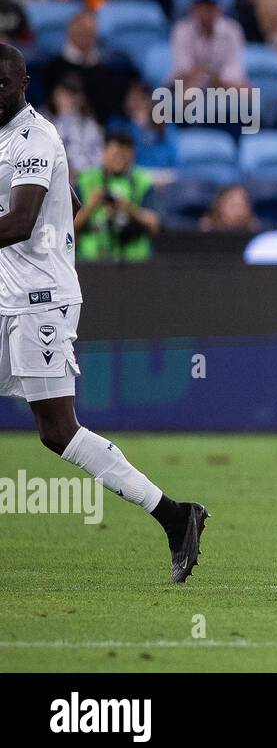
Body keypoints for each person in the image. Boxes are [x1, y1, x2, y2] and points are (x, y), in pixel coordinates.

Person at [0, 43, 205, 581]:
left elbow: (21, 221)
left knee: (57, 429)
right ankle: (177, 515)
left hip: (39, 301)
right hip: (8, 296)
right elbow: (64, 203)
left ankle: (174, 515)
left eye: (2, 85)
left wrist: (45, 244)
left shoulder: (35, 137)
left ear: (22, 83)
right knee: (52, 429)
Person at [73, 131, 160, 261]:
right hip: (91, 261)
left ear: (131, 154)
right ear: (104, 152)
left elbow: (154, 224)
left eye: (122, 155)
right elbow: (69, 226)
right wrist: (91, 206)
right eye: (114, 155)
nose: (118, 160)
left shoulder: (142, 181)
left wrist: (128, 209)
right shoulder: (86, 180)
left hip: (135, 262)